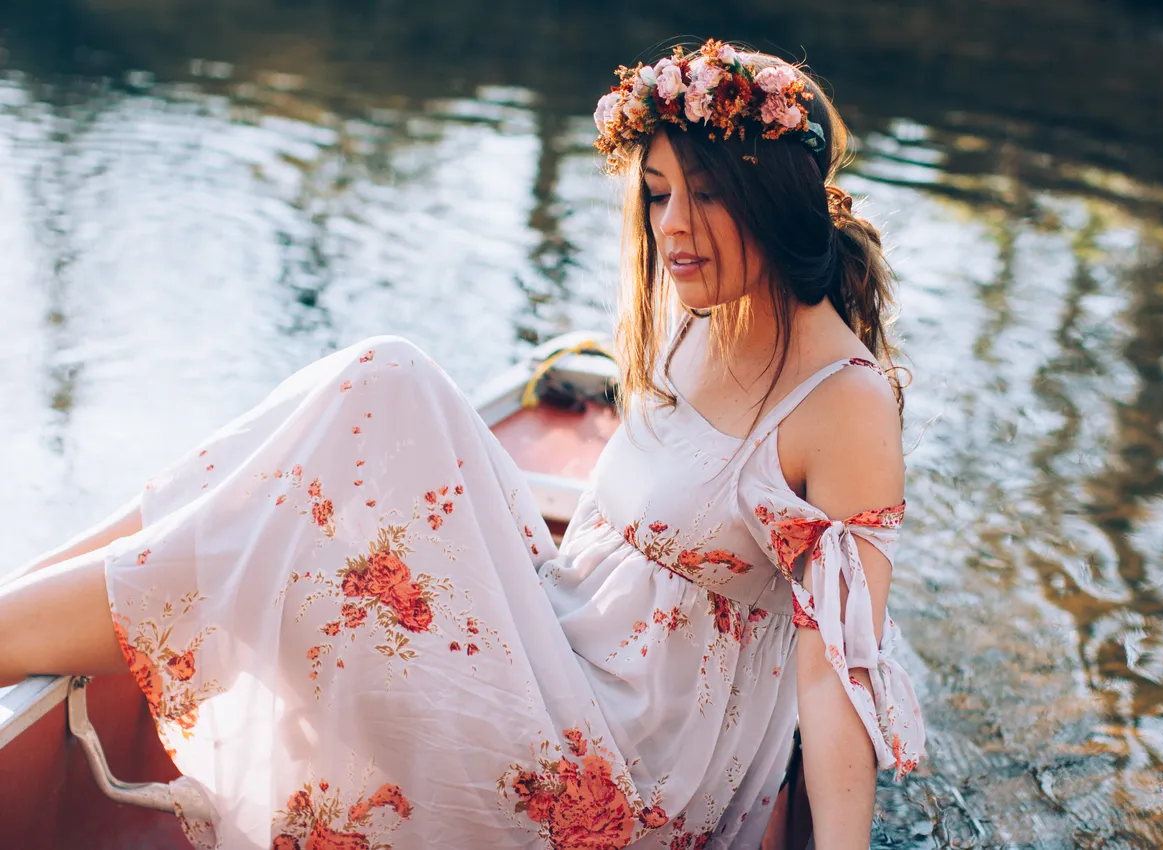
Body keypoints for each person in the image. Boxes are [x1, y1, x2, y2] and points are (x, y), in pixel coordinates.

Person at [0, 39, 923, 850]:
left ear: (775, 197)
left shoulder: (840, 403)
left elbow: (839, 681)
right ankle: (21, 598)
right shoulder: (702, 315)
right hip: (565, 640)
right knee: (382, 381)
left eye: (707, 194)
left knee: (316, 521)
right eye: (656, 193)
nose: (671, 226)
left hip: (631, 772)